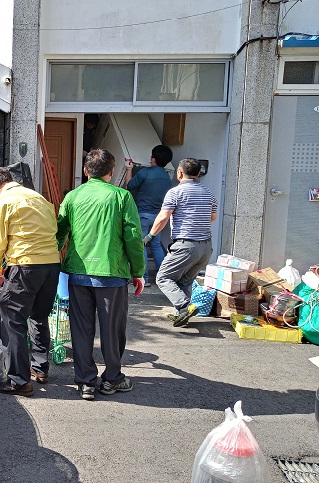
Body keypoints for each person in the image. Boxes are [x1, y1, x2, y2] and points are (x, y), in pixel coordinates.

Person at [56, 149, 145, 401]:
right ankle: (112, 379)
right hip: (111, 272)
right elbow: (133, 237)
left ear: (86, 171)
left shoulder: (72, 197)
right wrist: (138, 271)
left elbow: (60, 232)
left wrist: (53, 262)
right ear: (111, 171)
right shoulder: (121, 196)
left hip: (78, 272)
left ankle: (85, 381)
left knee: (81, 328)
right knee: (112, 328)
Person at [0, 167, 60, 398]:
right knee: (39, 315)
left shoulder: (1, 202)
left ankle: (18, 381)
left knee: (12, 319)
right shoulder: (38, 197)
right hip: (51, 264)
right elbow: (53, 229)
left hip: (25, 265)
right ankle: (40, 368)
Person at [148, 158, 218, 328]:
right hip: (206, 247)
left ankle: (184, 306)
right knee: (185, 281)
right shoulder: (209, 193)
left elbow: (163, 217)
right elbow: (212, 218)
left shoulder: (175, 193)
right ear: (198, 173)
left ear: (179, 173)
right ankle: (182, 315)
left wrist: (149, 236)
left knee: (163, 277)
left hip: (185, 245)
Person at [125, 145, 173, 287]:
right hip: (158, 217)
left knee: (142, 245)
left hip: (143, 215)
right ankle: (163, 278)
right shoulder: (167, 177)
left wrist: (129, 169)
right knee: (156, 245)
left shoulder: (145, 172)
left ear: (153, 159)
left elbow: (129, 185)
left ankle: (144, 278)